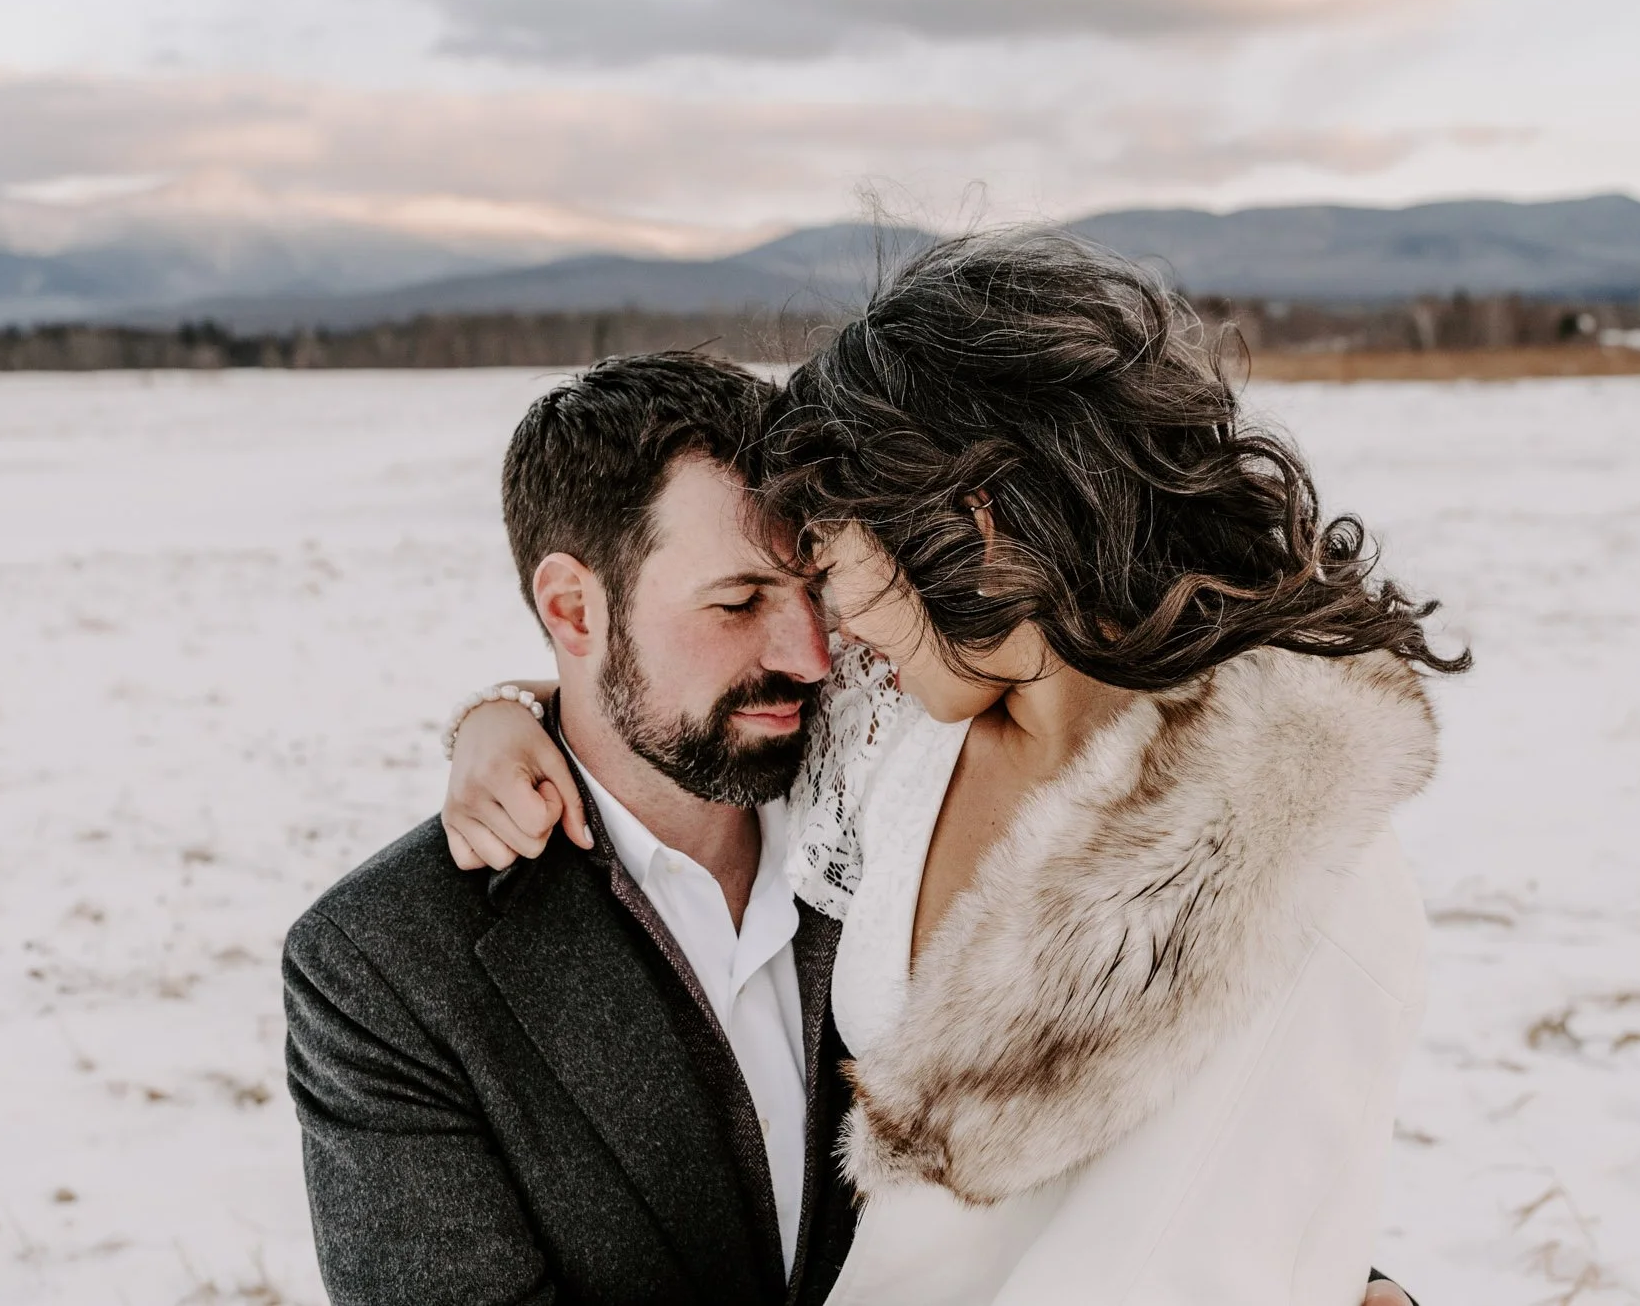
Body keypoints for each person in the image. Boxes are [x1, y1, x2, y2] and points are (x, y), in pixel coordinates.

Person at [440, 231, 1462, 1303]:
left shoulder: (1288, 858)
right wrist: (514, 710)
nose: (824, 633)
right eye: (769, 594)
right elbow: (672, 699)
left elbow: (1212, 1239)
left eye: (831, 567)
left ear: (966, 525)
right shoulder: (904, 731)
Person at [283, 354, 862, 1305]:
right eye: (738, 602)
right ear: (572, 608)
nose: (810, 653)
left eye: (820, 589)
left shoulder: (896, 803)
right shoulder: (384, 964)